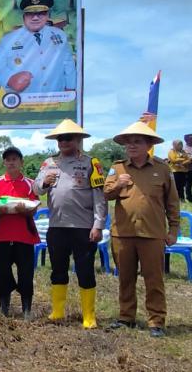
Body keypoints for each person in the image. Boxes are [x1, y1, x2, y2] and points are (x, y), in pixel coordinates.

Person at [104, 122, 180, 338]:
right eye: (129, 142)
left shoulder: (162, 169)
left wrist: (173, 230)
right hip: (123, 233)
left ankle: (156, 321)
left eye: (138, 141)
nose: (132, 145)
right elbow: (106, 193)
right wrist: (118, 184)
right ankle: (126, 317)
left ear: (149, 145)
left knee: (154, 279)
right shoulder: (118, 168)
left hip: (152, 234)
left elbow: (172, 203)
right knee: (125, 278)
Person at [34, 119, 107, 329]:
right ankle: (57, 311)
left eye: (68, 138)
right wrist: (43, 182)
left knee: (85, 269)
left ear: (78, 140)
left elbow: (99, 197)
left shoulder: (91, 163)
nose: (64, 142)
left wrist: (98, 224)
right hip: (57, 226)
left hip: (83, 227)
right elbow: (37, 190)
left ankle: (89, 316)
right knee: (58, 268)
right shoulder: (49, 163)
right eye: (60, 138)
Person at [0, 0, 76, 95]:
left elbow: (68, 64)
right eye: (30, 13)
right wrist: (9, 79)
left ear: (47, 15)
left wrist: (71, 89)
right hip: (25, 99)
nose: (35, 18)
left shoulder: (59, 35)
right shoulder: (8, 39)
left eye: (41, 13)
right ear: (24, 16)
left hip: (56, 95)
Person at [0, 146, 40, 319]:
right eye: (8, 159)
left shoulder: (31, 184)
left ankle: (27, 310)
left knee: (26, 274)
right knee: (1, 271)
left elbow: (33, 209)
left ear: (21, 162)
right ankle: (4, 308)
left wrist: (23, 210)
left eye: (15, 159)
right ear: (4, 162)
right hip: (1, 235)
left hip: (24, 236)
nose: (11, 162)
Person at [184, 134, 192, 200]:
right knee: (188, 183)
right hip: (188, 169)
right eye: (190, 139)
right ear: (186, 140)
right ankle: (189, 197)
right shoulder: (183, 149)